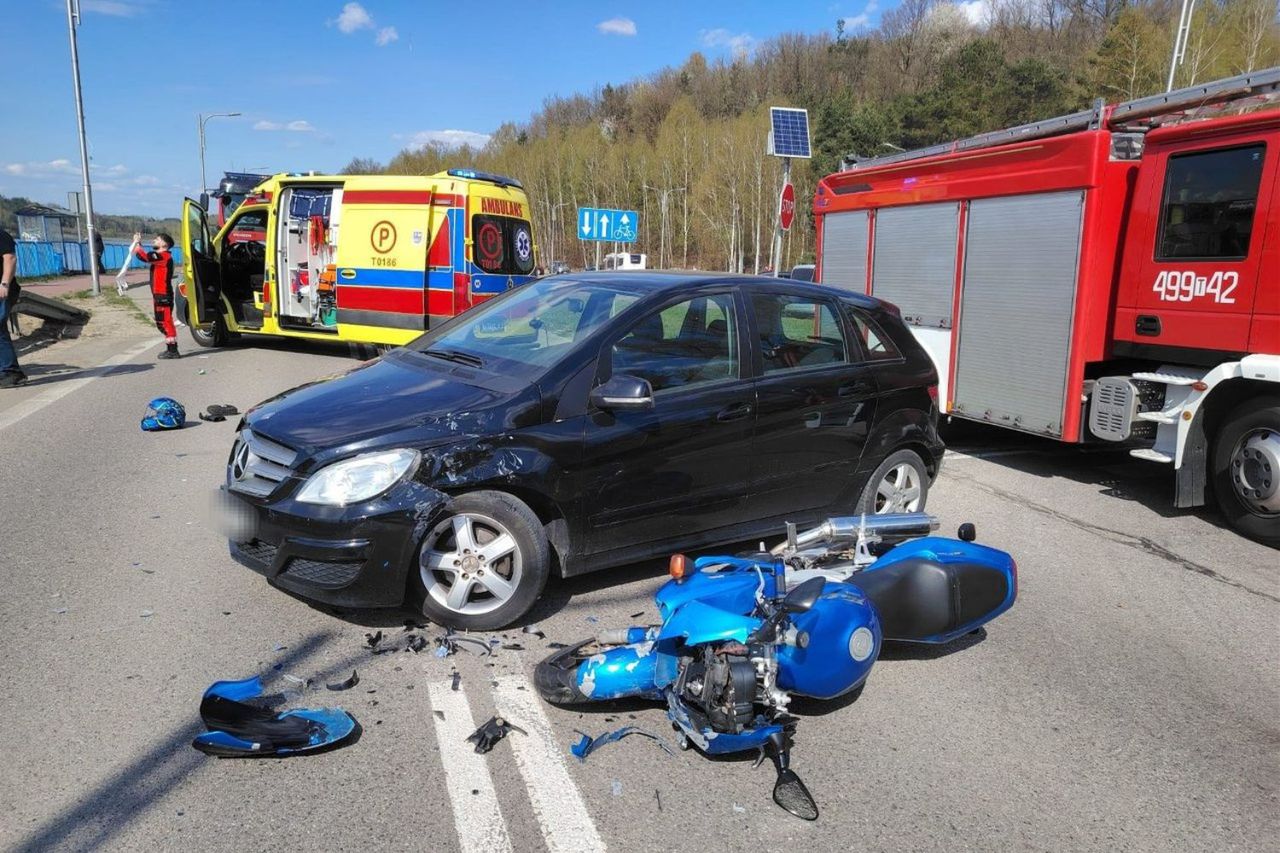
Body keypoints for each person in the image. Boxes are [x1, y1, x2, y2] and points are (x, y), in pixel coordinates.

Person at [133, 231, 181, 359]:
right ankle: (171, 348)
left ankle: (173, 350)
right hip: (159, 295)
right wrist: (138, 244)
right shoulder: (160, 257)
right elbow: (146, 256)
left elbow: (146, 257)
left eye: (157, 239)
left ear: (164, 244)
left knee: (165, 322)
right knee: (162, 322)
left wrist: (137, 243)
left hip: (163, 295)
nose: (154, 240)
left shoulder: (164, 256)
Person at [0, 227, 25, 387]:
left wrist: (4, 283)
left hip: (2, 290)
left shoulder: (1, 235)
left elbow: (10, 258)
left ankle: (11, 372)